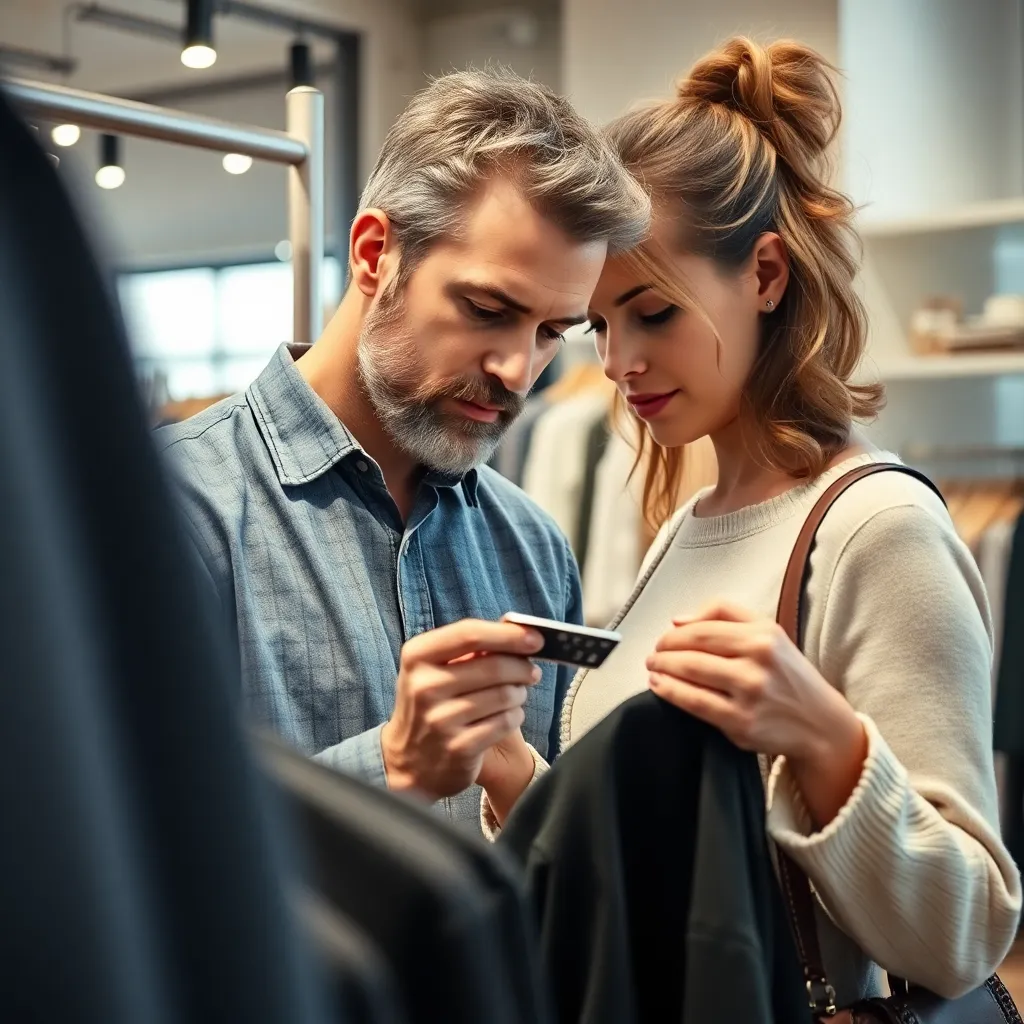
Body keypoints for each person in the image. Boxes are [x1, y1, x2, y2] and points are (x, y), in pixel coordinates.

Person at [550, 37, 1021, 1015]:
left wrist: (824, 737)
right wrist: (512, 772)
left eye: (650, 313)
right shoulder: (685, 526)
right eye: (598, 325)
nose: (617, 361)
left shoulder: (873, 527)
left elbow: (971, 927)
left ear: (764, 273)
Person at [157, 66, 649, 831]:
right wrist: (390, 769)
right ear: (374, 253)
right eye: (488, 309)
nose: (518, 373)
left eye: (554, 332)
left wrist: (533, 798)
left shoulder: (533, 549)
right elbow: (116, 870)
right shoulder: (174, 512)